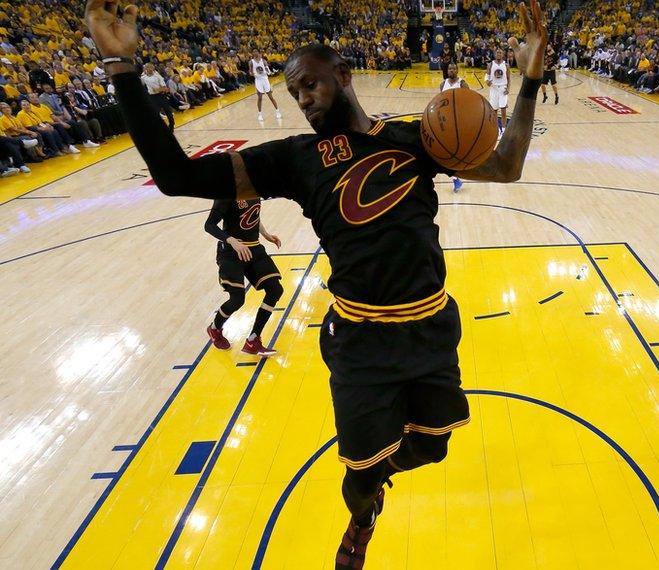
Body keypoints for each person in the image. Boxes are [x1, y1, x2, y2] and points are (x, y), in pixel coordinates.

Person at [85, 0, 548, 567]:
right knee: (359, 478)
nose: (302, 99)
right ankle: (363, 512)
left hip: (429, 327)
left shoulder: (417, 140)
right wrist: (121, 71)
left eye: (309, 85)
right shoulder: (294, 160)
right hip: (359, 340)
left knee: (432, 446)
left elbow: (506, 165)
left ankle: (384, 470)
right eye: (294, 92)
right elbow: (176, 176)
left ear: (343, 75)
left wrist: (529, 80)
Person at [204, 199, 283, 356]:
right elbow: (209, 225)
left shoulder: (253, 187)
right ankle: (214, 329)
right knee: (238, 299)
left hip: (254, 248)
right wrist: (232, 241)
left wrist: (266, 234)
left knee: (275, 290)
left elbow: (252, 215)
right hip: (231, 252)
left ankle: (253, 340)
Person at [439, 62, 466, 193]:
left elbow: (469, 100)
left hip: (459, 120)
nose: (452, 70)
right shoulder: (442, 84)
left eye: (454, 68)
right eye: (450, 68)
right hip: (446, 122)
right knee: (448, 152)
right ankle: (456, 178)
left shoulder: (462, 83)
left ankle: (458, 176)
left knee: (456, 151)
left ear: (457, 70)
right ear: (447, 70)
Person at [141, 63, 176, 131]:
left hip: (161, 96)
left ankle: (172, 125)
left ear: (153, 68)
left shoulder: (158, 76)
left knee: (168, 112)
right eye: (147, 67)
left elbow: (165, 88)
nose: (149, 69)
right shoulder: (143, 78)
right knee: (155, 114)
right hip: (152, 97)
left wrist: (158, 89)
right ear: (145, 69)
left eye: (150, 67)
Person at [486, 47, 511, 135]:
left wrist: (508, 88)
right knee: (494, 111)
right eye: (497, 53)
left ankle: (503, 130)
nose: (499, 54)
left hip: (503, 88)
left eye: (500, 53)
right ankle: (496, 129)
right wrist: (487, 82)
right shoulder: (490, 64)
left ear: (503, 54)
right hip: (493, 88)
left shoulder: (506, 65)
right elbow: (487, 76)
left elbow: (508, 78)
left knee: (503, 110)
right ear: (495, 54)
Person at [250, 50, 281, 121]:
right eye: (253, 52)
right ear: (253, 53)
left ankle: (278, 111)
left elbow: (267, 69)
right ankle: (260, 114)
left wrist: (268, 72)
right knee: (260, 97)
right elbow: (250, 72)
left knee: (270, 97)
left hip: (265, 80)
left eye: (256, 52)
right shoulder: (251, 62)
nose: (255, 53)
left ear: (259, 53)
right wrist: (253, 74)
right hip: (258, 80)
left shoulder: (263, 61)